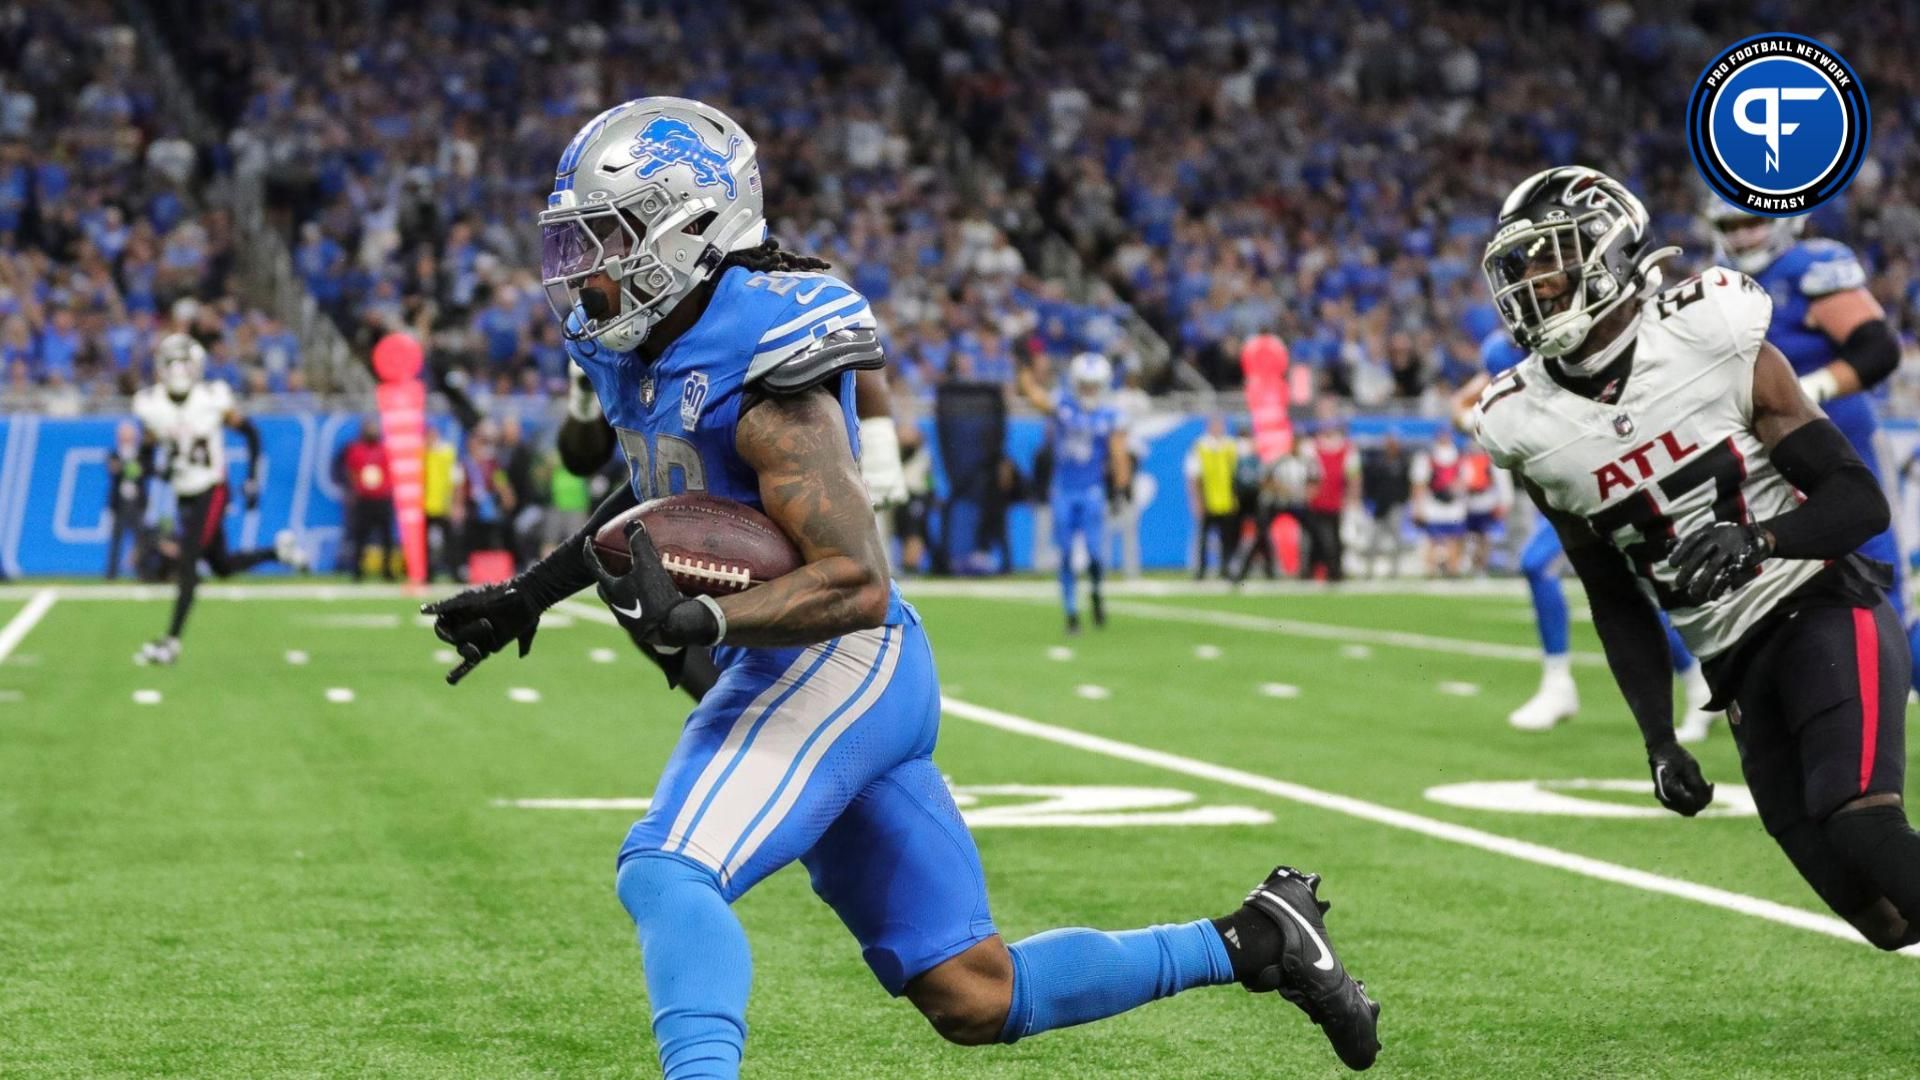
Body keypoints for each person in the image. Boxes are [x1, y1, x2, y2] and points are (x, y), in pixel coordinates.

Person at [423, 97, 1379, 1078]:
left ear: (690, 229)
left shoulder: (765, 368)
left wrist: (709, 615)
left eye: (608, 237)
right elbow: (664, 485)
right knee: (975, 991)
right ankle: (1257, 939)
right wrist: (530, 596)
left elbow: (856, 582)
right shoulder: (665, 341)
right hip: (839, 674)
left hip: (837, 659)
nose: (586, 268)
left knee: (668, 870)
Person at [1475, 165, 1920, 952]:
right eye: (1521, 268)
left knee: (1863, 822)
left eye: (1550, 260)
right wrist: (1657, 739)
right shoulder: (1524, 422)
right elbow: (1612, 595)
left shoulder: (1710, 331)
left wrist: (1763, 538)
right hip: (1733, 664)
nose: (1532, 285)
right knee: (1877, 918)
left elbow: (1858, 499)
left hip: (1817, 603)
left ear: (1608, 255)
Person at [1702, 195, 1918, 700]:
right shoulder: (1716, 282)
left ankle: (1894, 676)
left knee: (1876, 568)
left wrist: (1809, 390)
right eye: (1729, 224)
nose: (1740, 236)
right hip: (1762, 457)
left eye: (1751, 221)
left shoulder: (1811, 265)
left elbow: (1877, 349)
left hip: (1839, 439)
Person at [1454, 332, 1713, 735]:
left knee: (1645, 586)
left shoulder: (1590, 334)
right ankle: (1561, 683)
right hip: (1572, 486)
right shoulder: (1500, 351)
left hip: (1618, 471)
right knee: (1545, 566)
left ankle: (1698, 685)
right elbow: (1474, 405)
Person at [132, 333, 305, 665]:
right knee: (221, 566)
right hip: (185, 492)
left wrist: (252, 478)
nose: (178, 370)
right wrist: (152, 468)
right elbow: (148, 448)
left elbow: (251, 432)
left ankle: (170, 642)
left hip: (212, 488)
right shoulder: (151, 405)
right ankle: (277, 551)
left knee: (187, 563)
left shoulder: (211, 398)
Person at [1019, 351, 1129, 633]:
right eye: (1085, 384)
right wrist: (1024, 366)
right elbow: (1033, 395)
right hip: (1064, 490)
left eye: (1094, 385)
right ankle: (1071, 613)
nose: (1089, 390)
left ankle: (1096, 591)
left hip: (1092, 490)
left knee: (1094, 552)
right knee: (1066, 552)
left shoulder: (1110, 415)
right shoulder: (1063, 404)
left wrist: (1120, 489)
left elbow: (1119, 455)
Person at [339, 418, 396, 582]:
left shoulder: (384, 449)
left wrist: (386, 488)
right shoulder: (356, 449)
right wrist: (356, 487)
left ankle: (388, 571)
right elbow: (351, 470)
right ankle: (357, 571)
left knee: (386, 538)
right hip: (364, 499)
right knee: (360, 537)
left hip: (382, 499)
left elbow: (390, 471)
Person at [1186, 414, 1240, 579]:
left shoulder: (1230, 446)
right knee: (1203, 538)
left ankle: (1225, 569)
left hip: (1226, 500)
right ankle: (1200, 571)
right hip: (1208, 500)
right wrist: (1197, 500)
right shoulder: (1200, 446)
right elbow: (1193, 476)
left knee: (1228, 539)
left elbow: (1236, 474)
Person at [1304, 421, 1357, 582]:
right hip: (1319, 502)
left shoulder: (1346, 449)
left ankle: (1333, 570)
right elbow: (1310, 476)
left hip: (1337, 502)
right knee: (1324, 538)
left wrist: (1353, 497)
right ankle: (1328, 570)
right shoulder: (1312, 448)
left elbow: (1353, 476)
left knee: (1335, 538)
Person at [1409, 430, 1466, 577]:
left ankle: (1453, 569)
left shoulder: (1459, 456)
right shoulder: (1427, 457)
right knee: (1432, 540)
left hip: (1454, 505)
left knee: (1454, 539)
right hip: (1433, 505)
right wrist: (1417, 508)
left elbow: (1465, 481)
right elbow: (1419, 484)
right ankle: (1431, 570)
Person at [1358, 433, 1411, 578]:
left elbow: (1407, 485)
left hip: (1395, 506)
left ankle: (1395, 571)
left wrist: (1402, 500)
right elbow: (1369, 484)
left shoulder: (1403, 463)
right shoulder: (1377, 463)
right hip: (1379, 507)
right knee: (1373, 539)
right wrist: (1371, 501)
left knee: (1396, 540)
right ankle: (1368, 570)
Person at [104, 420, 150, 579]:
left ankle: (142, 572)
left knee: (140, 539)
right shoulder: (114, 453)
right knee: (116, 538)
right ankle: (111, 573)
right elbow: (114, 469)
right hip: (119, 503)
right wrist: (128, 467)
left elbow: (142, 471)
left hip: (137, 502)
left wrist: (127, 467)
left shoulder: (141, 454)